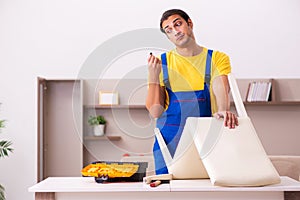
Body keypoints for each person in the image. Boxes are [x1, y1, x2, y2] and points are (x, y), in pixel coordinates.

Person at [146, 9, 239, 175]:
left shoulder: (217, 58)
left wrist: (223, 109)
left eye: (178, 24)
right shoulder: (162, 63)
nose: (175, 31)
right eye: (169, 30)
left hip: (206, 141)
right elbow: (155, 111)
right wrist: (153, 76)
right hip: (169, 144)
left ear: (189, 23)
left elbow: (221, 86)